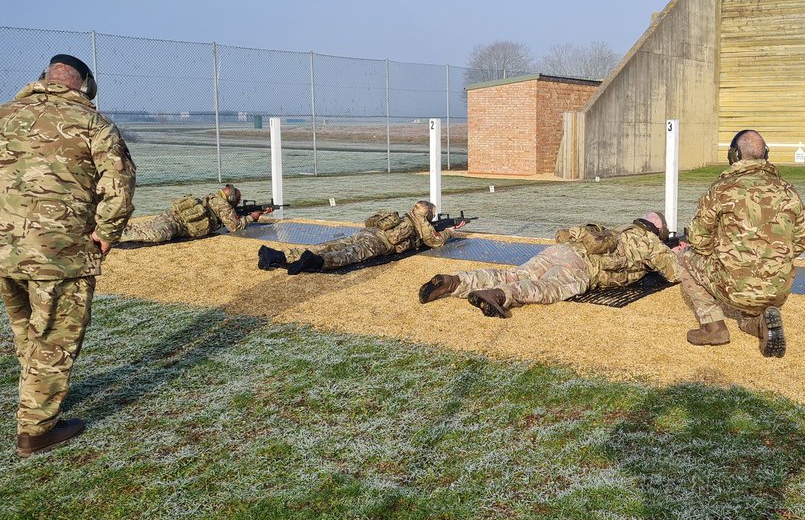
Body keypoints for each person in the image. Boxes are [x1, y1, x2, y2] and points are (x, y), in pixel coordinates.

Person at [0, 54, 136, 457]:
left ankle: (36, 400)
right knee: (55, 338)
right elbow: (119, 186)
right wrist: (107, 233)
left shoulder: (3, 115)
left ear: (43, 78)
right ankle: (36, 430)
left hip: (4, 250)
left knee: (26, 331)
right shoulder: (94, 123)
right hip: (59, 254)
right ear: (85, 84)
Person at [677, 130, 805, 358]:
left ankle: (713, 328)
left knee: (686, 258)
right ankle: (757, 322)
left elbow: (697, 239)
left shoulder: (721, 190)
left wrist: (720, 254)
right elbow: (800, 242)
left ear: (734, 155)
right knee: (756, 284)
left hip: (734, 286)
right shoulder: (788, 191)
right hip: (777, 290)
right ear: (766, 154)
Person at [417, 211, 680, 318]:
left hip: (561, 250)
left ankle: (457, 282)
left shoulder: (619, 229)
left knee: (514, 273)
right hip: (581, 267)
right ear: (659, 231)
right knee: (546, 287)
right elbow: (674, 272)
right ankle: (499, 296)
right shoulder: (649, 242)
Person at [258, 200, 461, 274]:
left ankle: (278, 256)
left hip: (367, 232)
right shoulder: (420, 223)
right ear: (427, 215)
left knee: (330, 245)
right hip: (377, 242)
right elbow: (434, 241)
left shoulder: (404, 216)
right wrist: (450, 231)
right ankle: (316, 262)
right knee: (348, 255)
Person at [120, 184, 270, 245]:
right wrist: (253, 217)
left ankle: (119, 229)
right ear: (230, 199)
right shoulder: (224, 205)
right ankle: (117, 235)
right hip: (177, 224)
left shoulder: (213, 198)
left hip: (171, 216)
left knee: (145, 226)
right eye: (236, 200)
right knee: (155, 235)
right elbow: (234, 226)